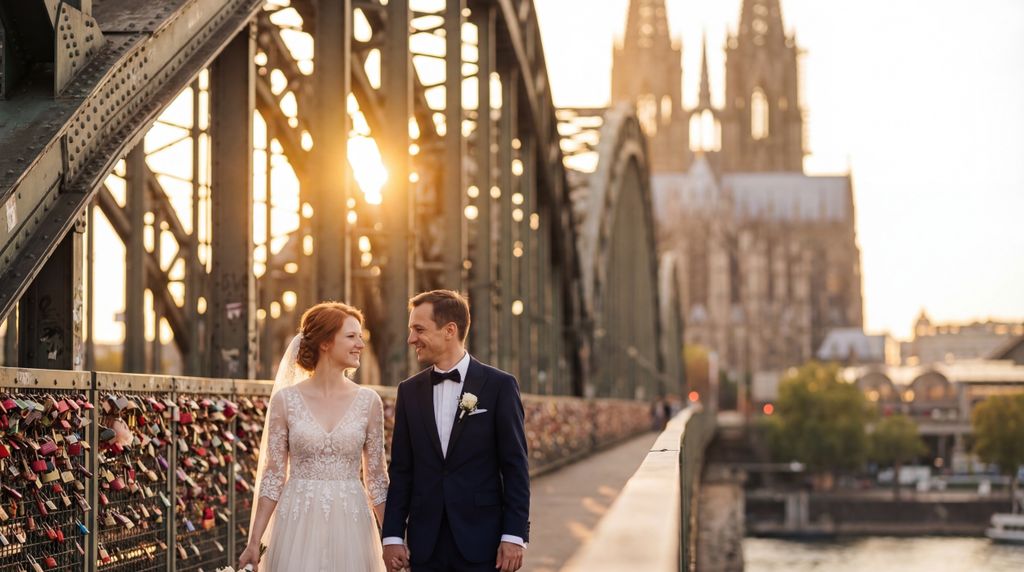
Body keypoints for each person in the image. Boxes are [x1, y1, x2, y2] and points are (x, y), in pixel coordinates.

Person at [382, 290, 530, 572]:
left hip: (483, 542)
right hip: (424, 545)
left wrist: (514, 535)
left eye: (419, 329)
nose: (411, 339)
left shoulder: (499, 386)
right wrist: (392, 536)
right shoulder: (409, 391)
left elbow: (515, 467)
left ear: (450, 330)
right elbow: (401, 470)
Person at [239, 302, 389, 571]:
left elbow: (377, 479)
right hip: (297, 522)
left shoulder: (369, 402)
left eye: (360, 336)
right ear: (325, 342)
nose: (360, 344)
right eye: (351, 336)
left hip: (351, 523)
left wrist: (392, 540)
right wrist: (254, 541)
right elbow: (273, 477)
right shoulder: (285, 401)